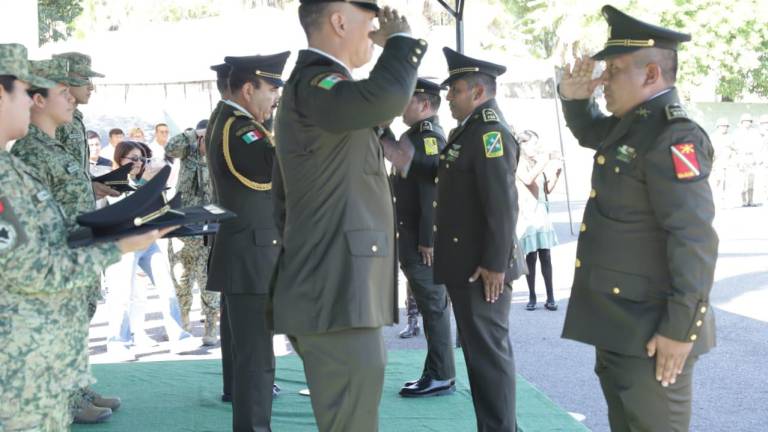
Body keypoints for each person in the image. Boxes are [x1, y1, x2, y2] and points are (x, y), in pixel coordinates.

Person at [558, 5, 719, 431]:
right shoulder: (635, 125)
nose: (603, 80)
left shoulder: (673, 135)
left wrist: (680, 330)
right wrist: (575, 101)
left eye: (613, 69)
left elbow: (694, 238)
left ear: (650, 75)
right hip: (622, 328)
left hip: (654, 334)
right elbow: (592, 132)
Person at [272, 2, 426, 430]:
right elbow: (384, 99)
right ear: (340, 21)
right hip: (337, 288)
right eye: (369, 23)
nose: (374, 33)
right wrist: (401, 44)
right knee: (351, 422)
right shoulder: (318, 81)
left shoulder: (322, 88)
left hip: (336, 285)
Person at [0, 42, 168, 431]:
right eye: (25, 91)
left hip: (34, 361)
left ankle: (73, 391)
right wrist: (120, 244)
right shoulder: (18, 164)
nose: (31, 101)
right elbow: (33, 269)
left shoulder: (11, 167)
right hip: (19, 367)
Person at [387, 46, 522, 431]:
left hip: (484, 268)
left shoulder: (490, 132)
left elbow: (502, 205)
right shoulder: (471, 129)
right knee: (480, 357)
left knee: (489, 357)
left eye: (456, 90)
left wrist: (495, 263)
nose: (448, 97)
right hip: (468, 264)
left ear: (478, 92)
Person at [207, 52, 288, 431]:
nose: (275, 98)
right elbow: (279, 166)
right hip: (252, 256)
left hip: (249, 252)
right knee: (257, 362)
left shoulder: (235, 121)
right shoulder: (242, 128)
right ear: (247, 88)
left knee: (248, 358)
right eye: (271, 89)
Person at [385, 78, 456, 398]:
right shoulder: (413, 135)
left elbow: (433, 190)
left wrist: (428, 239)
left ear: (425, 104)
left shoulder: (429, 137)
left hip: (422, 241)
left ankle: (441, 375)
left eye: (408, 99)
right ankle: (435, 371)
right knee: (431, 308)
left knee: (434, 307)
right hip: (412, 236)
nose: (402, 105)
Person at [104, 141, 195, 359]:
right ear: (120, 159)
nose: (137, 163)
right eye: (132, 158)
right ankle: (118, 342)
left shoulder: (143, 180)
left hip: (147, 240)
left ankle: (178, 337)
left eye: (141, 159)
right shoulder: (112, 181)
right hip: (123, 243)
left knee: (166, 287)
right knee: (123, 293)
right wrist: (147, 182)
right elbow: (126, 207)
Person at [165, 119, 220, 346]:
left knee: (209, 280)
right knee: (181, 278)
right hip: (183, 226)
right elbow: (169, 148)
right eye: (204, 138)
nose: (208, 142)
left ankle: (210, 325)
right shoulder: (186, 151)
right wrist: (192, 134)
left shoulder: (218, 157)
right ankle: (184, 324)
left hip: (209, 225)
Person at [205, 61, 235, 403]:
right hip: (247, 237)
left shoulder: (221, 117)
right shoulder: (235, 123)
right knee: (244, 324)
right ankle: (241, 382)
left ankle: (237, 382)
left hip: (233, 233)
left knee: (236, 321)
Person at [515, 129, 562, 311]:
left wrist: (556, 174)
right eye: (533, 143)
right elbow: (527, 179)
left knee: (546, 256)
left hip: (541, 213)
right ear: (523, 145)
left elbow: (546, 189)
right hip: (528, 215)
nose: (537, 147)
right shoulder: (518, 163)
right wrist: (545, 160)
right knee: (531, 258)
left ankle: (550, 296)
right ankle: (532, 295)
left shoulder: (537, 163)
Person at [734, 113, 762, 206]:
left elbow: (758, 145)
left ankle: (751, 200)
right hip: (741, 157)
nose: (747, 123)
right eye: (745, 121)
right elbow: (735, 147)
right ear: (741, 122)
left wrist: (757, 158)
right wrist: (738, 160)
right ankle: (743, 201)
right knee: (742, 181)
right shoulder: (737, 132)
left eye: (749, 121)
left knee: (751, 181)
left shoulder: (754, 132)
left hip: (751, 157)